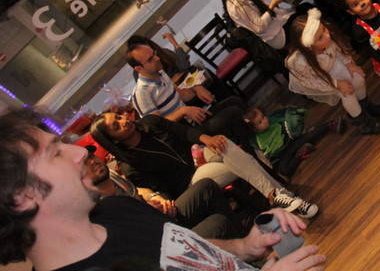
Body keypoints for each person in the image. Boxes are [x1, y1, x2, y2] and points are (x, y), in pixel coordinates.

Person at [0, 108, 326, 270]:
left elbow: (181, 248)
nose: (80, 153)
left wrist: (244, 247)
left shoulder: (116, 209)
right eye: (55, 153)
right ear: (22, 196)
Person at [89, 112, 319, 218]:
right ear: (113, 141)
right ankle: (282, 196)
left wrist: (207, 139)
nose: (124, 121)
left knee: (224, 144)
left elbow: (183, 131)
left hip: (198, 156)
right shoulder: (130, 166)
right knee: (241, 161)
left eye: (118, 117)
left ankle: (280, 197)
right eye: (117, 126)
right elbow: (165, 191)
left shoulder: (149, 122)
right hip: (190, 182)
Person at [84, 147, 246, 239]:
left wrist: (155, 198)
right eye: (85, 164)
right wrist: (153, 214)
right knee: (218, 223)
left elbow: (137, 191)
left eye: (91, 156)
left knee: (206, 186)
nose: (93, 162)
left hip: (161, 219)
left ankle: (242, 241)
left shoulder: (112, 175)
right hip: (159, 242)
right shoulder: (95, 208)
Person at [127, 41, 255, 149]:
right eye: (150, 59)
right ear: (139, 69)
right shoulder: (142, 94)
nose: (157, 58)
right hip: (184, 135)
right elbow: (158, 127)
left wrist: (196, 88)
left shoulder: (160, 74)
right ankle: (250, 150)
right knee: (232, 112)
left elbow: (179, 92)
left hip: (192, 121)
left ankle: (250, 142)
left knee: (234, 101)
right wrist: (183, 111)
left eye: (154, 53)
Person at [285, 8, 380, 135]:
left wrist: (350, 64)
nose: (327, 35)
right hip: (320, 78)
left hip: (332, 63)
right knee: (347, 93)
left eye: (324, 29)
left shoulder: (325, 39)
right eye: (320, 37)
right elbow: (313, 81)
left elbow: (338, 50)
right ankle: (363, 122)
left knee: (358, 78)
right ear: (309, 46)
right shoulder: (301, 63)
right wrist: (336, 84)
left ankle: (366, 106)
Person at [244, 107, 344, 177]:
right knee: (284, 171)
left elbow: (289, 121)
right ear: (254, 129)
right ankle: (300, 154)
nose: (265, 120)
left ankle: (330, 125)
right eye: (260, 122)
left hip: (292, 143)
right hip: (283, 155)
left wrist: (297, 130)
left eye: (263, 116)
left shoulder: (273, 120)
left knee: (308, 136)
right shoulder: (258, 140)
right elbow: (269, 155)